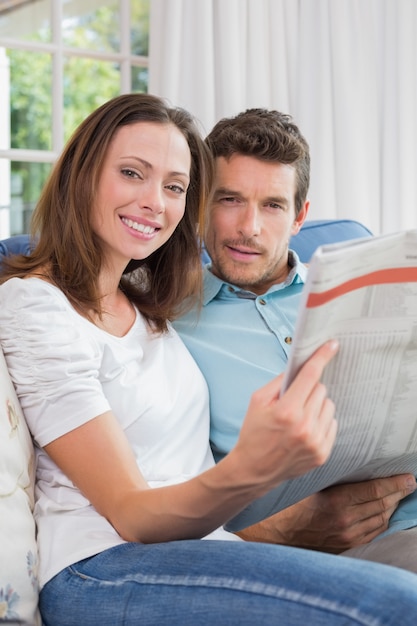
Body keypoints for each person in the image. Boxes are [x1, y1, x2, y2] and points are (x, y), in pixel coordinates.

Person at [1, 94, 417, 626]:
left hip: (201, 548)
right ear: (82, 175)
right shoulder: (35, 302)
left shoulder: (149, 301)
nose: (155, 202)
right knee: (396, 604)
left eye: (174, 186)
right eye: (133, 173)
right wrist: (253, 467)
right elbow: (129, 512)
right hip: (102, 562)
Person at [174, 107, 417, 573]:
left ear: (300, 216)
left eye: (272, 205)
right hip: (338, 556)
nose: (250, 227)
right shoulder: (166, 323)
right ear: (201, 203)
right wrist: (263, 529)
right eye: (230, 200)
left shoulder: (367, 293)